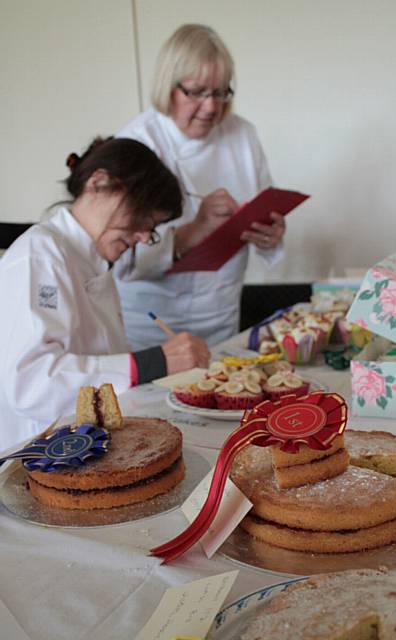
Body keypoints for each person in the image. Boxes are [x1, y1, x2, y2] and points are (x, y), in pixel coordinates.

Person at [0, 137, 210, 452]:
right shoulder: (40, 255)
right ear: (98, 183)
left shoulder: (96, 262)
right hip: (37, 453)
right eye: (142, 219)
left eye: (150, 228)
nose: (141, 237)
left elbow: (104, 361)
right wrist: (152, 362)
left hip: (85, 442)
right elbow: (31, 385)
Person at [114, 23, 286, 350]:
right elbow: (122, 256)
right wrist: (196, 229)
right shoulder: (137, 143)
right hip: (153, 325)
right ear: (168, 86)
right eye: (197, 92)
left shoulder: (242, 135)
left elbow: (266, 205)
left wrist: (270, 233)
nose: (210, 107)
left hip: (222, 314)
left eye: (220, 92)